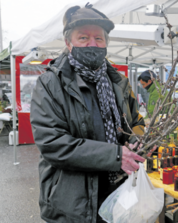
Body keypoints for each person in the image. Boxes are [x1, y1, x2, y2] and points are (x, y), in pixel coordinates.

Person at [30, 4, 147, 223]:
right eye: (83, 38)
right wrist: (116, 156)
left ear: (106, 43)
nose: (92, 44)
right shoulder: (50, 84)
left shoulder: (118, 83)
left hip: (118, 195)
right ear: (68, 42)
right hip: (72, 204)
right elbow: (52, 143)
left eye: (99, 39)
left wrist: (136, 140)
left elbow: (136, 122)